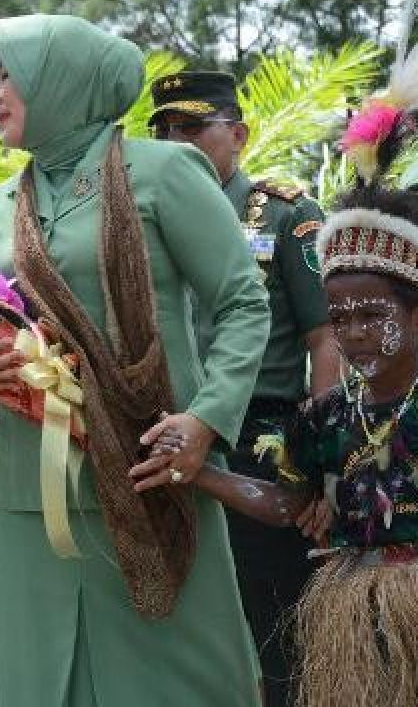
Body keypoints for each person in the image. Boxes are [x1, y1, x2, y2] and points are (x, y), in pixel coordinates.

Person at [0, 14, 270, 705]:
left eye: (8, 76)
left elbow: (242, 301)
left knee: (181, 682)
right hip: (30, 495)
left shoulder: (166, 171)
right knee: (38, 683)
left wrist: (205, 420)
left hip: (154, 471)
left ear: (63, 80)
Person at [134, 181, 418, 707]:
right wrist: (201, 473)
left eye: (374, 316)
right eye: (339, 319)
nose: (353, 333)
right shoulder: (326, 419)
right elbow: (288, 502)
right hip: (354, 610)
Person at [150, 70, 340, 705]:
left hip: (264, 436)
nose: (176, 141)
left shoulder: (284, 212)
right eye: (164, 130)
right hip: (167, 436)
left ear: (237, 133)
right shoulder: (146, 219)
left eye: (192, 127)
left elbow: (326, 338)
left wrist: (324, 458)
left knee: (274, 620)